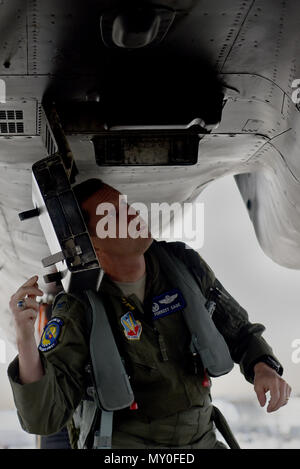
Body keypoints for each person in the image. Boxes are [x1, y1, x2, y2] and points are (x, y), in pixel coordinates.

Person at [7, 179, 292, 449]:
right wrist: (24, 339)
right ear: (92, 243)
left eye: (126, 206)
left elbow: (239, 330)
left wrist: (263, 367)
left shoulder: (182, 266)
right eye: (112, 215)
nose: (133, 215)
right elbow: (45, 417)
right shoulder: (79, 307)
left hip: (201, 437)